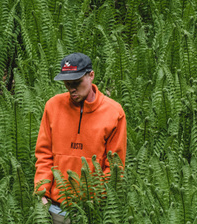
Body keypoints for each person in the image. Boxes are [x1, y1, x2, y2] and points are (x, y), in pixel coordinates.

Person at [34, 52, 127, 223]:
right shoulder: (53, 106)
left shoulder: (114, 113)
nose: (71, 89)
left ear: (91, 75)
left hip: (93, 210)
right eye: (67, 84)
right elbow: (44, 154)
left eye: (76, 83)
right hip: (56, 207)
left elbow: (114, 167)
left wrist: (97, 200)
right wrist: (42, 192)